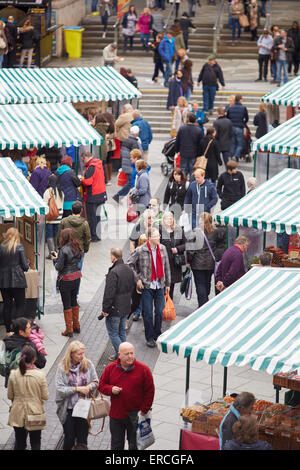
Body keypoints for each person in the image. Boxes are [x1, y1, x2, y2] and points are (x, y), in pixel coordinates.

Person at [98, 342, 155, 450]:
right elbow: (101, 385)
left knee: (134, 445)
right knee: (116, 444)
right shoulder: (110, 368)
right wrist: (111, 389)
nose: (130, 356)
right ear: (119, 355)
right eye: (127, 354)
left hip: (135, 415)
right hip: (116, 415)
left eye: (132, 353)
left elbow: (150, 392)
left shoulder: (143, 370)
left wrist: (144, 410)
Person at [127, 228, 171, 348]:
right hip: (147, 286)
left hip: (160, 285)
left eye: (159, 235)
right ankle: (149, 337)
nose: (159, 238)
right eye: (156, 236)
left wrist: (167, 284)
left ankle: (157, 334)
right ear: (150, 238)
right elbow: (129, 264)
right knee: (147, 313)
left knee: (159, 312)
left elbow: (166, 266)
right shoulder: (140, 250)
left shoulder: (162, 248)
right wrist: (138, 279)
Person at [55, 340, 98, 450]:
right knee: (69, 438)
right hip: (69, 409)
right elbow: (60, 389)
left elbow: (96, 381)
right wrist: (76, 389)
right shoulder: (62, 368)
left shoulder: (88, 364)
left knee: (83, 439)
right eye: (79, 354)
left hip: (84, 408)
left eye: (83, 353)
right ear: (71, 354)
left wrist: (89, 387)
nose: (82, 356)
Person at [7, 344, 49, 451]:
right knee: (35, 442)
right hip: (35, 413)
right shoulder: (40, 375)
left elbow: (10, 395)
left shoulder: (13, 374)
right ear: (34, 359)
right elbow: (45, 396)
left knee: (19, 443)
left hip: (17, 413)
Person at [101, 248, 135, 360]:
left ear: (114, 257)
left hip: (115, 309)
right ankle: (118, 355)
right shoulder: (129, 269)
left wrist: (105, 309)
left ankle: (123, 356)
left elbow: (109, 293)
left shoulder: (113, 272)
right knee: (121, 332)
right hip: (126, 307)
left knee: (114, 334)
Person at [52, 228, 83, 337]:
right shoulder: (78, 247)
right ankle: (77, 325)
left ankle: (69, 329)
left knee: (67, 303)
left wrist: (55, 259)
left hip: (65, 279)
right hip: (76, 277)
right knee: (74, 300)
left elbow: (58, 267)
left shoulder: (63, 249)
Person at [0, 228, 29, 332]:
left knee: (7, 305)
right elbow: (25, 267)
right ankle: (17, 329)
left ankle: (8, 330)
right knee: (20, 305)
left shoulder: (1, 247)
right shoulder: (19, 246)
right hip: (18, 281)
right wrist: (27, 263)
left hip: (3, 281)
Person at [3, 318, 47, 387]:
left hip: (12, 382)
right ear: (21, 332)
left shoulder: (6, 342)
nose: (31, 330)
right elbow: (42, 363)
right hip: (27, 383)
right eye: (29, 328)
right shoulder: (29, 346)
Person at [186, 212, 217, 307]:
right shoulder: (215, 232)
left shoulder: (195, 232)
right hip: (210, 264)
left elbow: (190, 249)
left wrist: (188, 261)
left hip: (197, 264)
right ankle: (205, 301)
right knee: (207, 283)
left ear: (200, 220)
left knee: (200, 285)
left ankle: (203, 305)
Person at [80, 151, 107, 242]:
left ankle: (93, 236)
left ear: (85, 157)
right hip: (101, 194)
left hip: (92, 196)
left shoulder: (91, 167)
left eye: (83, 159)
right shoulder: (99, 164)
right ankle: (98, 235)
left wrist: (82, 180)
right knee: (98, 216)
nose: (83, 162)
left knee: (92, 217)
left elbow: (88, 182)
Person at [57, 201, 91, 273]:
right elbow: (87, 238)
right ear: (81, 210)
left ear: (71, 210)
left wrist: (59, 247)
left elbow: (59, 235)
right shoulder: (84, 223)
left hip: (65, 249)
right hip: (79, 249)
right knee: (78, 270)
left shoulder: (64, 221)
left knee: (64, 268)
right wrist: (85, 249)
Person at [160, 211, 186, 299]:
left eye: (171, 218)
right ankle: (162, 306)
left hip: (174, 263)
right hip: (163, 262)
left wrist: (178, 249)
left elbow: (185, 244)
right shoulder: (160, 231)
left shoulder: (178, 230)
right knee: (162, 286)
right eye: (167, 218)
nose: (169, 220)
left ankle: (168, 306)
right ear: (163, 220)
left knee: (171, 286)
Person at [113, 126, 140, 203]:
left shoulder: (126, 140)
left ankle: (119, 196)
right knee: (130, 183)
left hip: (125, 164)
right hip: (130, 166)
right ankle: (118, 196)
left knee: (129, 182)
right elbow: (136, 156)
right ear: (136, 133)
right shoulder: (134, 142)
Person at [175, 112, 203, 179]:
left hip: (183, 152)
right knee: (192, 171)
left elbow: (178, 141)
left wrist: (176, 150)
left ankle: (183, 185)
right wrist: (199, 154)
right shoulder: (198, 130)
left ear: (188, 119)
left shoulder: (182, 128)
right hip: (194, 153)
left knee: (183, 170)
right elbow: (200, 144)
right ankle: (191, 186)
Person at [43, 174, 64, 258]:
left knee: (50, 235)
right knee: (57, 235)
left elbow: (44, 204)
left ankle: (52, 254)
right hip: (59, 216)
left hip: (50, 217)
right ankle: (57, 251)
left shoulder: (48, 192)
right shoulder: (61, 192)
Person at [226, 94, 249, 161]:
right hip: (239, 127)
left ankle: (232, 156)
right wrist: (243, 123)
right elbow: (246, 118)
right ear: (240, 99)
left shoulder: (230, 108)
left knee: (232, 143)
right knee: (240, 144)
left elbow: (228, 118)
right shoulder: (243, 108)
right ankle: (236, 156)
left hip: (232, 127)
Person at [102, 111, 116, 185]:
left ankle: (106, 177)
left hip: (106, 144)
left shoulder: (105, 125)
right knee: (109, 161)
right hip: (111, 144)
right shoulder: (113, 124)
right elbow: (115, 134)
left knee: (105, 160)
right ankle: (109, 177)